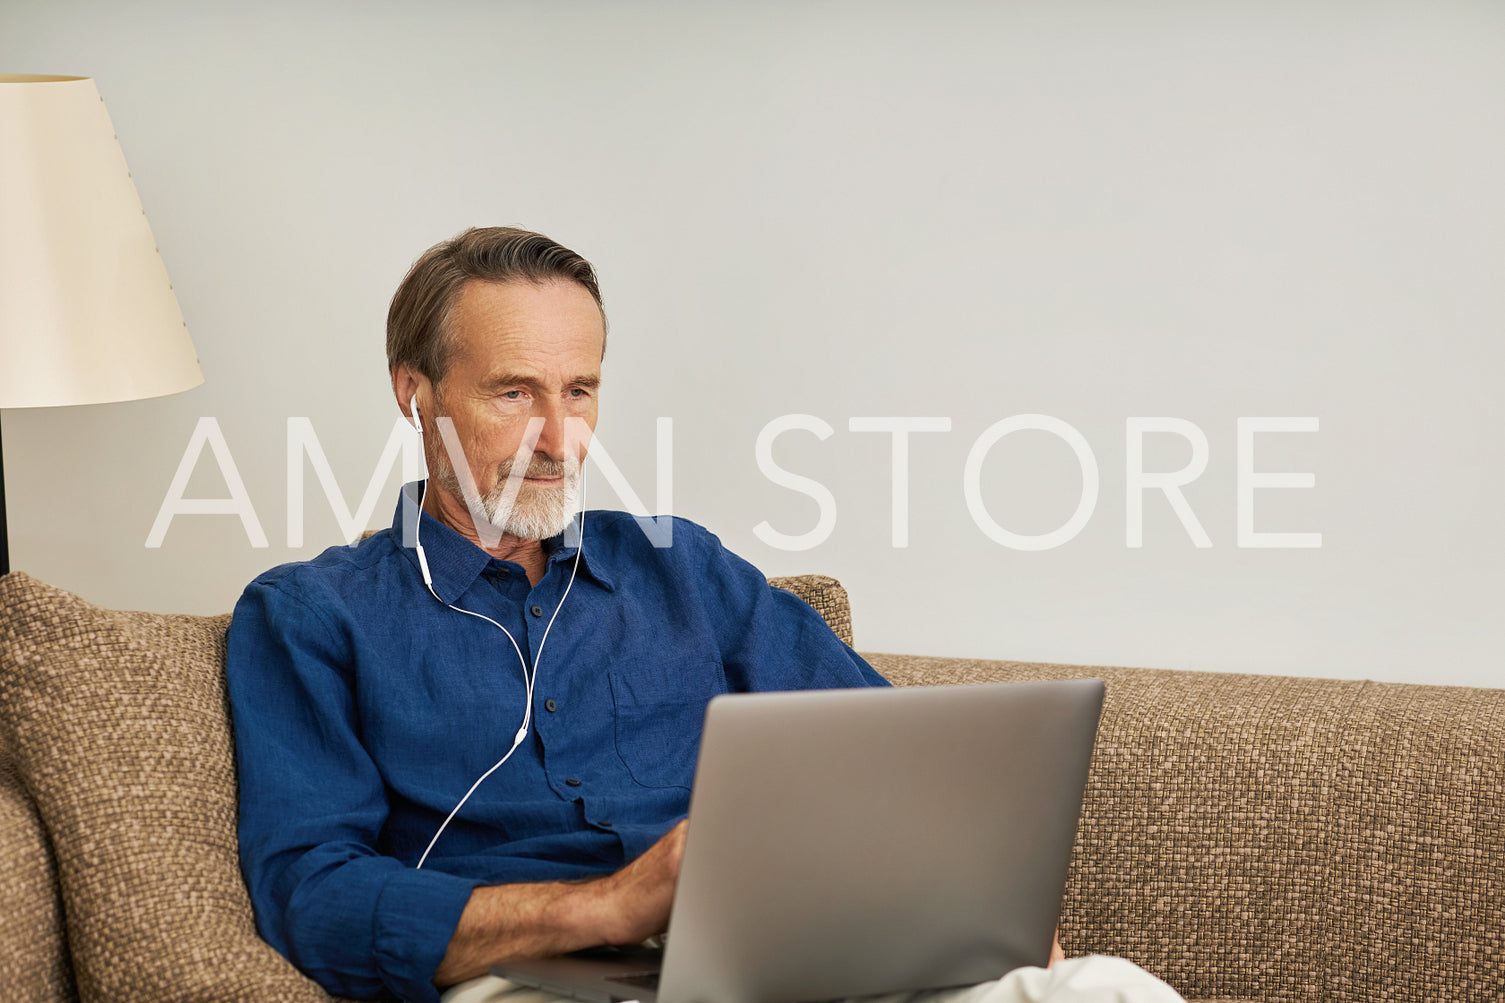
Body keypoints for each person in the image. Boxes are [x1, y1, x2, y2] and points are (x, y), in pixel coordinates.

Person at [226, 227, 1185, 1003]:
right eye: (513, 393)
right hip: (539, 982)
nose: (560, 440)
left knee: (1105, 990)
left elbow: (899, 768)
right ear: (416, 395)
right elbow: (311, 894)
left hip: (786, 961)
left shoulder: (682, 568)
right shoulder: (311, 615)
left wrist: (989, 913)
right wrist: (601, 906)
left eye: (581, 392)